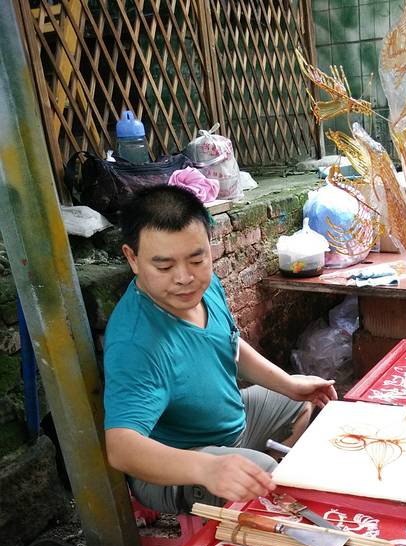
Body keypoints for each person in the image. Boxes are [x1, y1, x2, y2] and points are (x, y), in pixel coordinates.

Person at [103, 185, 337, 513]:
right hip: (179, 461)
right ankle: (245, 504)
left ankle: (247, 490)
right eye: (164, 267)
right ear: (133, 258)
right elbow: (121, 448)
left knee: (299, 401)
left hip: (232, 423)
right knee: (268, 476)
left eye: (197, 259)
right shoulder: (136, 343)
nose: (184, 278)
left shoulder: (204, 286)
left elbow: (228, 343)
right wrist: (208, 468)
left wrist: (288, 384)